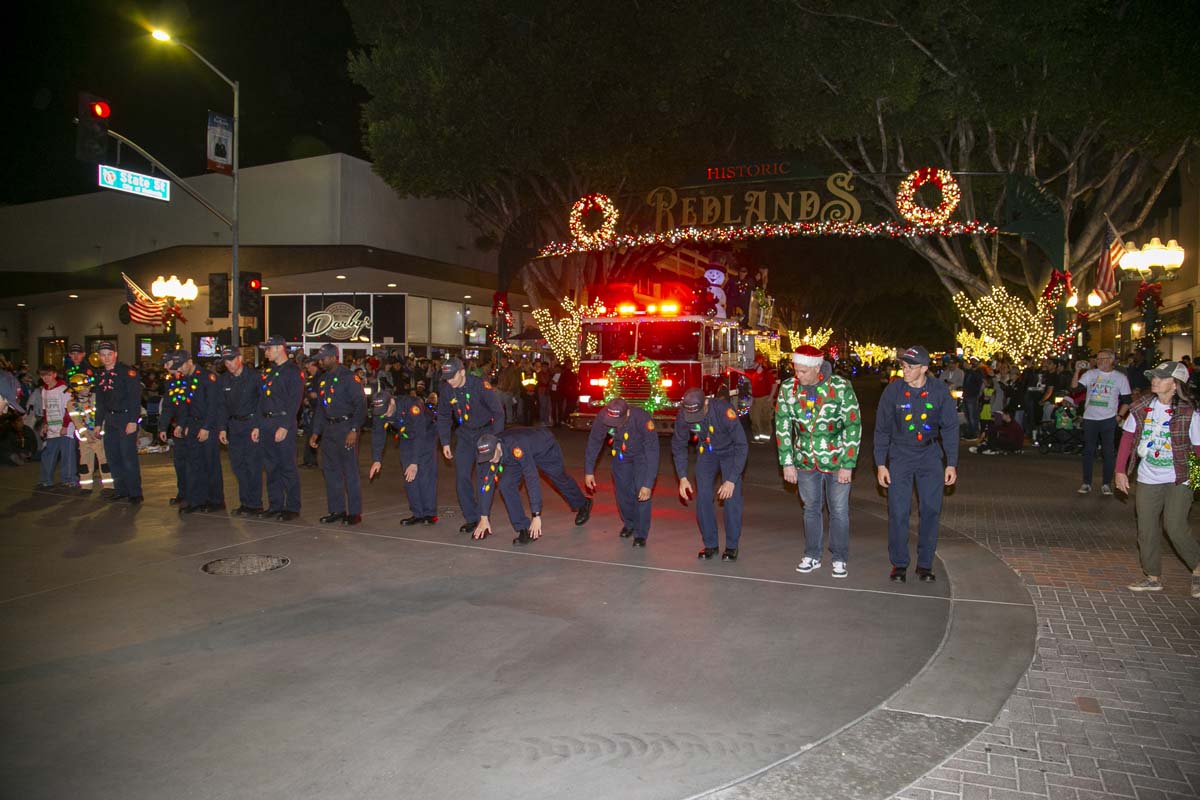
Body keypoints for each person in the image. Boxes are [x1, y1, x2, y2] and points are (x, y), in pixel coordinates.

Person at [1114, 362, 1200, 597]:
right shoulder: (1141, 406)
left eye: (1162, 378)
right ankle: (1152, 576)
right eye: (1154, 376)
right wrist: (1120, 470)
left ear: (1175, 384)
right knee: (1147, 529)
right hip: (1148, 476)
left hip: (1179, 477)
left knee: (1175, 527)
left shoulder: (1189, 412)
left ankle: (1198, 568)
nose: (1155, 380)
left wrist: (1197, 480)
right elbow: (1127, 439)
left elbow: (1198, 449)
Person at [875, 345, 959, 583]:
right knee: (899, 511)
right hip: (900, 454)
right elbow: (881, 430)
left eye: (910, 367)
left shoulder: (939, 391)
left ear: (924, 368)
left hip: (930, 454)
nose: (905, 370)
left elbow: (951, 428)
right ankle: (899, 563)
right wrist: (881, 463)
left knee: (931, 509)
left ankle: (925, 564)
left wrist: (951, 463)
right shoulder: (893, 392)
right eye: (903, 366)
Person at [776, 346, 862, 577]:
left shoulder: (840, 387)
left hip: (837, 458)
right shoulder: (787, 388)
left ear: (816, 368)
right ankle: (812, 554)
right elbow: (783, 426)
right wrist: (787, 462)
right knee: (810, 509)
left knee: (839, 510)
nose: (798, 375)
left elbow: (853, 425)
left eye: (803, 371)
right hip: (804, 460)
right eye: (796, 370)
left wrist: (848, 463)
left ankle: (839, 557)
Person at [471, 429, 592, 544]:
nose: (490, 460)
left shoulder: (516, 446)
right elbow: (487, 483)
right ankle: (523, 528)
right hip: (516, 457)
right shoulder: (487, 453)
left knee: (559, 478)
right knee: (506, 485)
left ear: (497, 446)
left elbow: (532, 478)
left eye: (491, 456)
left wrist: (536, 515)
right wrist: (484, 516)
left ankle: (583, 503)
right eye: (486, 457)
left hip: (544, 448)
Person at [673, 386, 748, 561]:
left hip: (730, 452)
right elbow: (679, 445)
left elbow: (741, 445)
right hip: (707, 452)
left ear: (706, 402)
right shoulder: (684, 414)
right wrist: (682, 477)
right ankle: (710, 544)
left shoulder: (724, 411)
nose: (694, 419)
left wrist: (732, 479)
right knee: (703, 497)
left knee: (731, 497)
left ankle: (731, 546)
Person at [437, 356, 505, 533]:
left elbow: (498, 412)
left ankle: (483, 518)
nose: (450, 381)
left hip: (484, 433)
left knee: (484, 478)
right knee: (462, 479)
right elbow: (443, 416)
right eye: (447, 378)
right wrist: (445, 442)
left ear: (461, 372)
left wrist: (496, 440)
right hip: (465, 435)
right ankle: (471, 518)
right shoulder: (446, 389)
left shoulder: (480, 385)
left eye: (453, 377)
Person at [584, 397, 659, 547]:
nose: (614, 425)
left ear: (628, 413)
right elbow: (594, 441)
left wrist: (648, 483)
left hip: (641, 456)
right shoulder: (603, 416)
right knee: (622, 491)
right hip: (621, 455)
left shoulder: (642, 418)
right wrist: (589, 470)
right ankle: (629, 523)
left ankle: (641, 533)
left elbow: (652, 450)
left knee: (641, 491)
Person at [158, 350, 224, 514]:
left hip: (206, 425)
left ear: (189, 361)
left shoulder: (207, 377)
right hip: (192, 424)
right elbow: (185, 405)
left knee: (210, 463)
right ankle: (197, 500)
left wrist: (206, 427)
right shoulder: (186, 379)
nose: (178, 370)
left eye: (180, 366)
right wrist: (181, 424)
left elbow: (213, 405)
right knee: (195, 464)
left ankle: (216, 500)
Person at [311, 344, 368, 525]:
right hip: (329, 429)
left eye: (323, 358)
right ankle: (337, 510)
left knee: (349, 471)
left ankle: (355, 512)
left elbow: (361, 406)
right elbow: (321, 408)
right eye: (319, 359)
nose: (320, 362)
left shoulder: (349, 378)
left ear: (334, 357)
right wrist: (316, 432)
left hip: (346, 427)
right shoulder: (323, 379)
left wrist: (354, 429)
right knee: (331, 471)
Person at [368, 389, 439, 525]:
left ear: (392, 402)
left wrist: (414, 462)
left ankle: (430, 513)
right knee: (409, 475)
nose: (385, 414)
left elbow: (420, 433)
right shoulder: (380, 411)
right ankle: (417, 513)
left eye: (386, 410)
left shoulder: (412, 405)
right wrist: (377, 459)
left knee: (425, 474)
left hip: (426, 434)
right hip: (406, 437)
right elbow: (378, 434)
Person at [255, 335, 303, 520]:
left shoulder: (292, 371)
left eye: (268, 348)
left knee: (287, 467)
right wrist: (258, 425)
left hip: (282, 422)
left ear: (279, 348)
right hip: (267, 423)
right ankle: (275, 504)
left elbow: (294, 402)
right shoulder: (269, 372)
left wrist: (285, 426)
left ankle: (292, 507)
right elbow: (262, 401)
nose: (266, 352)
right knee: (271, 467)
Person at [1072, 349, 1131, 496]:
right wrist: (1077, 371)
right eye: (1097, 359)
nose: (1099, 361)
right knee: (1088, 451)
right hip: (1090, 418)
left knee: (1108, 453)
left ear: (1111, 360)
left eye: (1102, 358)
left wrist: (1119, 416)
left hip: (1108, 419)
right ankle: (1086, 482)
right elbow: (1074, 390)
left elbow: (1127, 400)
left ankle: (1106, 483)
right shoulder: (1090, 374)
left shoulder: (1120, 378)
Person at [94, 340, 143, 504]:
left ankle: (135, 492)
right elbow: (100, 402)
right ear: (99, 357)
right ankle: (121, 490)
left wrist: (132, 421)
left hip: (126, 418)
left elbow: (135, 398)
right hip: (110, 419)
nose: (106, 358)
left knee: (128, 457)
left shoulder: (127, 373)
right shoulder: (100, 375)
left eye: (109, 354)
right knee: (113, 456)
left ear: (115, 354)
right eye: (103, 355)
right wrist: (97, 423)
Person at [217, 346, 263, 515]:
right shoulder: (224, 380)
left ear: (239, 358)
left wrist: (258, 425)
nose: (228, 364)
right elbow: (221, 407)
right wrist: (222, 428)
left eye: (231, 360)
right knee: (238, 466)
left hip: (251, 424)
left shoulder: (254, 377)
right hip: (234, 426)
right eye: (226, 361)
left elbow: (261, 403)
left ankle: (255, 503)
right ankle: (245, 502)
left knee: (253, 465)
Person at [65, 372, 111, 493]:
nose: (87, 389)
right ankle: (86, 486)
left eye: (88, 386)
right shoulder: (71, 404)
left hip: (99, 435)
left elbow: (102, 415)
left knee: (104, 461)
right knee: (85, 463)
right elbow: (77, 421)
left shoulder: (96, 398)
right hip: (85, 439)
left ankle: (109, 486)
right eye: (83, 387)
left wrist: (99, 429)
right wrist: (85, 434)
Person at [34, 364, 77, 490]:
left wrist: (65, 426)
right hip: (52, 428)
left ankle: (69, 479)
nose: (46, 378)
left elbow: (68, 409)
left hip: (66, 428)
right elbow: (45, 409)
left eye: (48, 375)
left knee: (67, 454)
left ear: (54, 374)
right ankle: (46, 479)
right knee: (48, 454)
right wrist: (45, 424)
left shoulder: (63, 389)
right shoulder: (44, 390)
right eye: (43, 375)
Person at [961, 357, 984, 441]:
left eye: (974, 361)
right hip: (966, 395)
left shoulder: (979, 371)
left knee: (972, 415)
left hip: (972, 396)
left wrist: (970, 370)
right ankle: (970, 432)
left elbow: (978, 380)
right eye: (971, 361)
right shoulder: (968, 372)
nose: (972, 362)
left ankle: (974, 433)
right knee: (967, 415)